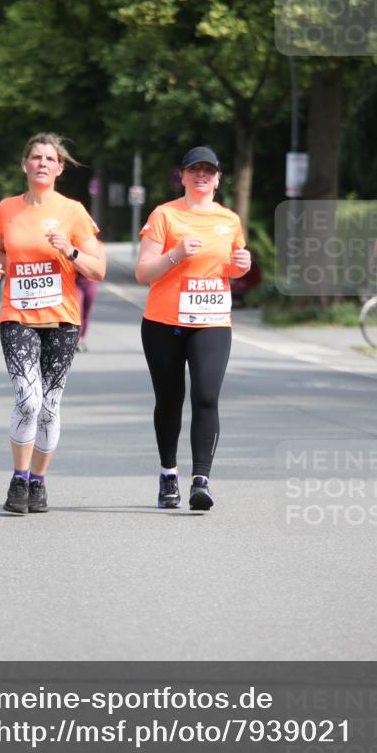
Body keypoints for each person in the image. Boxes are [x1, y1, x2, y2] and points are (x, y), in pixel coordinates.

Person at [0, 132, 105, 515]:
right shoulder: (7, 208)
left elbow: (98, 269)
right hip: (18, 316)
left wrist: (68, 250)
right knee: (28, 398)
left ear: (59, 168)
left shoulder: (72, 211)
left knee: (50, 406)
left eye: (49, 158)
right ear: (25, 164)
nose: (41, 163)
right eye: (35, 156)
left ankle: (38, 482)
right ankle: (19, 477)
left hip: (62, 320)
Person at [135, 146, 251, 512]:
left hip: (212, 322)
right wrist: (176, 254)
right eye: (194, 170)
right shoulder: (164, 216)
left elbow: (230, 266)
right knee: (170, 402)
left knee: (206, 396)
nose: (201, 175)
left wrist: (242, 266)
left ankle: (201, 479)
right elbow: (143, 273)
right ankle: (169, 473)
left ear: (218, 178)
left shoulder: (229, 220)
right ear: (182, 176)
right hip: (164, 322)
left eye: (208, 170)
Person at [75, 273, 98, 352]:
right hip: (75, 281)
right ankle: (77, 338)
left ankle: (82, 338)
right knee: (79, 309)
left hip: (91, 282)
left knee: (86, 312)